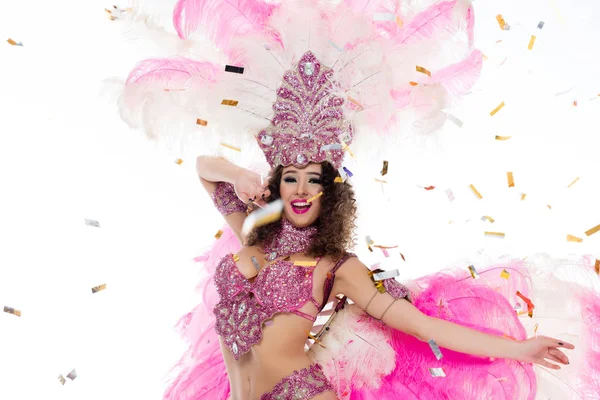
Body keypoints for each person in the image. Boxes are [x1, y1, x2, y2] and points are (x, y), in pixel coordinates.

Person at [114, 1, 600, 399]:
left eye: (314, 180)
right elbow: (204, 169)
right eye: (291, 179)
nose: (302, 189)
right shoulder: (250, 231)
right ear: (277, 186)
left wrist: (519, 349)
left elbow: (421, 326)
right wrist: (239, 173)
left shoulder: (337, 266)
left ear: (331, 194)